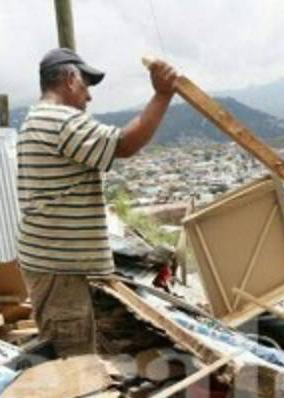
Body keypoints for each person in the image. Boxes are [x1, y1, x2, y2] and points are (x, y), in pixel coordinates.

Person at [16, 48, 177, 356]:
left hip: (51, 261)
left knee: (67, 347)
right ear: (69, 78)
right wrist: (162, 96)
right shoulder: (60, 119)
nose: (88, 97)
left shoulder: (38, 117)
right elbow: (125, 144)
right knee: (72, 358)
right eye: (86, 86)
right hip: (57, 265)